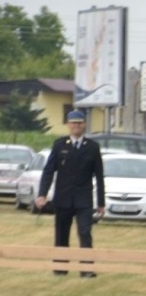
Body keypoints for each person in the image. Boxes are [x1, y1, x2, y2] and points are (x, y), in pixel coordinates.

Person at [36, 109, 105, 277]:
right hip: (63, 198)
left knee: (84, 233)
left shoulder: (92, 147)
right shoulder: (59, 145)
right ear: (68, 125)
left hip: (84, 200)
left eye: (79, 123)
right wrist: (42, 194)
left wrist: (101, 203)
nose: (76, 126)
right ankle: (60, 268)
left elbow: (99, 176)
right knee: (61, 234)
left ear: (84, 125)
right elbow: (49, 171)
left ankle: (87, 270)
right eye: (73, 123)